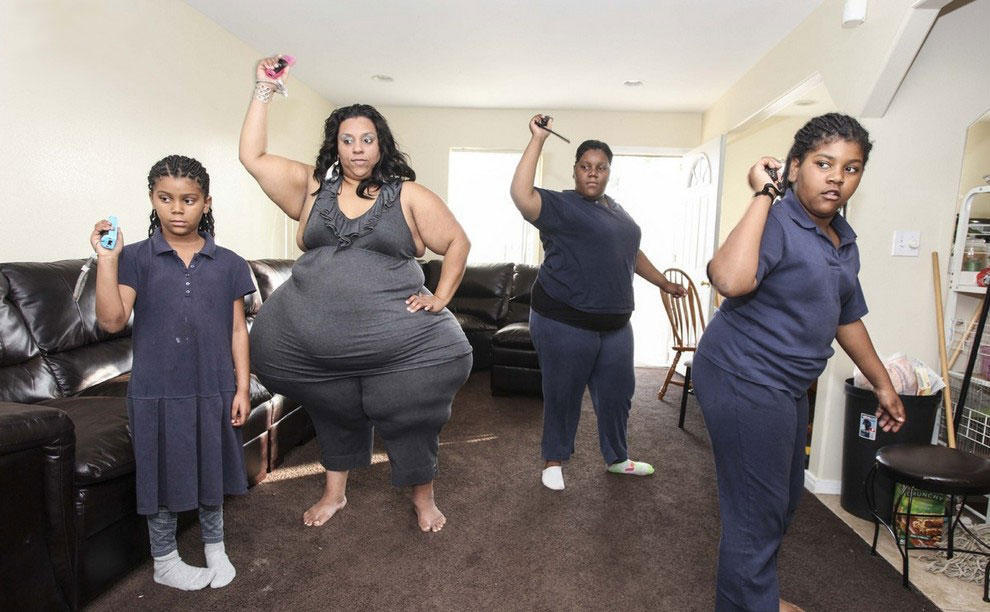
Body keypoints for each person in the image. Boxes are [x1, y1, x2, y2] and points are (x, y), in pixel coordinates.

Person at [240, 56, 473, 532]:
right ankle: (335, 493)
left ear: (381, 144)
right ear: (336, 146)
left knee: (411, 415)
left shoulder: (407, 195)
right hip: (315, 351)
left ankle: (423, 498)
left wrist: (441, 298)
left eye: (367, 139)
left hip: (399, 348)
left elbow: (457, 243)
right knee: (333, 411)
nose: (357, 149)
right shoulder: (312, 188)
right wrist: (263, 89)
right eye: (347, 140)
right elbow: (253, 157)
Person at [696, 113, 906, 611]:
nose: (837, 178)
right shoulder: (776, 220)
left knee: (781, 500)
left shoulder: (841, 239)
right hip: (742, 375)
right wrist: (764, 194)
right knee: (756, 511)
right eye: (823, 163)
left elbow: (846, 316)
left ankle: (754, 598)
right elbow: (728, 280)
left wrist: (882, 383)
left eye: (851, 168)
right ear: (794, 168)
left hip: (787, 385)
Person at [92, 155, 254, 590]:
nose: (177, 209)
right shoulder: (134, 257)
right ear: (152, 199)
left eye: (189, 199)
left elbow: (237, 330)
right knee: (161, 474)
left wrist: (242, 387)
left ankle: (215, 548)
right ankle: (165, 561)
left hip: (214, 387)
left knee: (212, 468)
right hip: (156, 390)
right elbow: (111, 321)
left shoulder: (231, 262)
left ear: (206, 202)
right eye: (166, 199)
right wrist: (107, 260)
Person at [509, 114, 686, 491]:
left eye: (601, 167)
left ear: (609, 172)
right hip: (564, 320)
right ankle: (554, 460)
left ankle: (618, 458)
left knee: (618, 394)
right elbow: (521, 195)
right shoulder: (561, 205)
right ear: (575, 170)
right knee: (563, 393)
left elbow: (630, 252)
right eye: (585, 166)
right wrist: (538, 139)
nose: (593, 173)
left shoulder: (617, 210)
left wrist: (663, 282)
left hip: (616, 324)